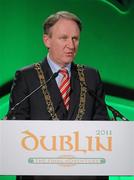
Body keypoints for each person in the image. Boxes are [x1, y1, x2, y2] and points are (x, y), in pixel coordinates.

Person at [8, 11, 109, 180]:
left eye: (75, 38)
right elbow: (17, 126)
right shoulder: (27, 77)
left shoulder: (91, 76)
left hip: (85, 175)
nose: (71, 45)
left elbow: (102, 125)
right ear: (47, 40)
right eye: (64, 38)